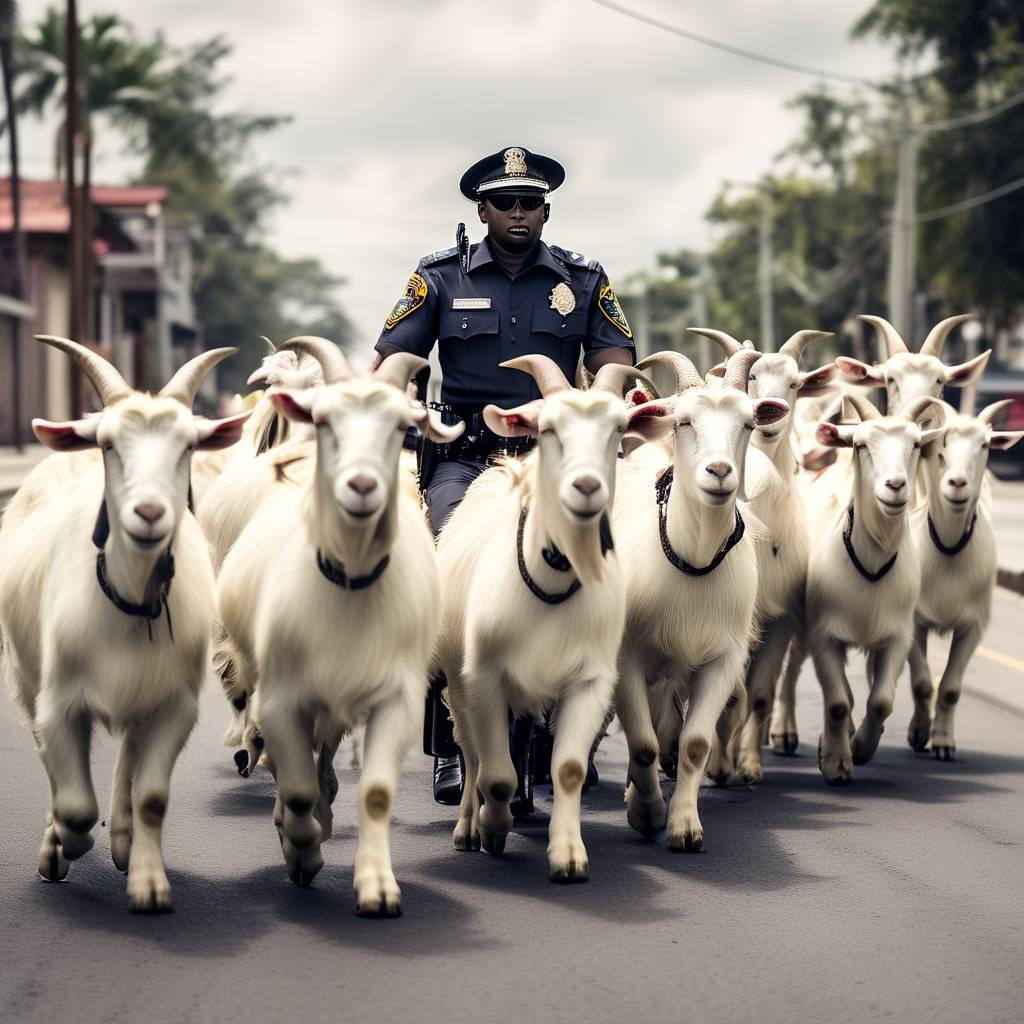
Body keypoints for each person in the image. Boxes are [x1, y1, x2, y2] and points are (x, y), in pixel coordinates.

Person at [374, 146, 636, 805]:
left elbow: (613, 361)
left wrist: (598, 403)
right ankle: (452, 747)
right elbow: (393, 362)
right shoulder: (440, 277)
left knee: (595, 569)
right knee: (445, 575)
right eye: (505, 202)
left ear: (546, 209)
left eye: (530, 202)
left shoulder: (582, 278)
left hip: (555, 456)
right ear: (482, 209)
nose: (519, 214)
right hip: (464, 454)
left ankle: (557, 737)